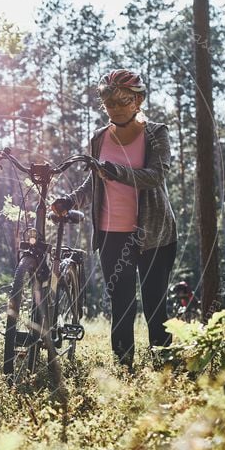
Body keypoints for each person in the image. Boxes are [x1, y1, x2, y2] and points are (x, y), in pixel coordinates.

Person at [52, 68, 178, 373]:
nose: (117, 108)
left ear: (138, 100)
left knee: (154, 304)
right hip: (112, 235)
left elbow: (156, 176)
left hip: (154, 234)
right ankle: (124, 369)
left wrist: (116, 171)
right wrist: (71, 200)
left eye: (124, 101)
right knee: (121, 305)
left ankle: (165, 368)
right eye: (110, 103)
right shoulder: (99, 138)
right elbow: (97, 181)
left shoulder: (156, 133)